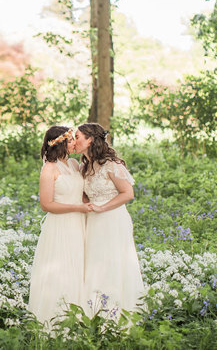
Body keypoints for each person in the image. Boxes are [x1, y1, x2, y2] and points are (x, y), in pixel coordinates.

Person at [74, 122, 146, 320]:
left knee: (112, 262)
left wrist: (102, 208)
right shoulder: (84, 167)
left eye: (77, 137)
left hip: (113, 218)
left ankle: (117, 313)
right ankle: (95, 310)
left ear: (90, 140)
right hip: (93, 220)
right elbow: (87, 196)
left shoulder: (111, 165)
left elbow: (128, 193)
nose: (74, 141)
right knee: (95, 263)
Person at [28, 125, 93, 328]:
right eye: (71, 139)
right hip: (60, 225)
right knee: (62, 267)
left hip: (79, 223)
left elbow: (82, 191)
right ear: (61, 143)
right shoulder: (49, 169)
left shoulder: (74, 164)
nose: (75, 142)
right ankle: (55, 320)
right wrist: (77, 207)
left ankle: (78, 316)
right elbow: (46, 204)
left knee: (78, 267)